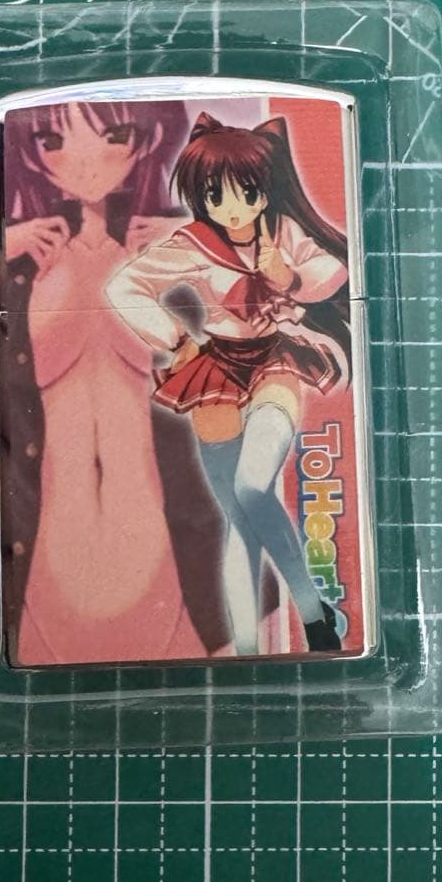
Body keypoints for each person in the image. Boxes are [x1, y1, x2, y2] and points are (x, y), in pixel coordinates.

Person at [106, 112, 350, 654]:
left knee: (251, 486)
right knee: (238, 526)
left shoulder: (284, 232)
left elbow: (332, 274)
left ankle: (310, 610)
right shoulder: (192, 244)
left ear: (266, 188)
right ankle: (247, 652)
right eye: (216, 195)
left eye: (247, 192)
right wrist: (176, 338)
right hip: (216, 368)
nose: (232, 207)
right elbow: (125, 286)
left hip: (277, 359)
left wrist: (284, 275)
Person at [0, 98, 230, 665]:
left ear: (147, 141)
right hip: (49, 545)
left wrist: (199, 238)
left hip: (163, 542)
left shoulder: (163, 250)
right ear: (29, 155)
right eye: (53, 142)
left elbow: (268, 314)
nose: (85, 163)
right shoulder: (23, 260)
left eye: (113, 137)